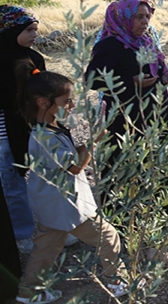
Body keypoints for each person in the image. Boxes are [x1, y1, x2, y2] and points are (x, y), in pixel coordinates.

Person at [14, 59, 126, 303]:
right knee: (108, 237)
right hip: (67, 205)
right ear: (43, 103)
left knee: (45, 251)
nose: (72, 105)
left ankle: (28, 292)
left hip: (49, 204)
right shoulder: (46, 137)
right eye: (66, 102)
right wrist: (94, 141)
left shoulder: (49, 128)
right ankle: (116, 282)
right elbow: (74, 166)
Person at [86, 0, 168, 206]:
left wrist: (165, 76)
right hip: (125, 116)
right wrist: (131, 83)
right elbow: (92, 80)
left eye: (147, 16)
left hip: (155, 111)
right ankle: (120, 213)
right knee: (123, 162)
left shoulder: (146, 42)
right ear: (123, 18)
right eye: (139, 17)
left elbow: (158, 69)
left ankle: (165, 207)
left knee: (161, 155)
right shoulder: (109, 46)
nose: (145, 22)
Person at [0, 5, 40, 255]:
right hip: (6, 129)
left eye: (36, 29)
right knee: (12, 180)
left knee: (45, 177)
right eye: (28, 30)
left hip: (34, 125)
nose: (35, 34)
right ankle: (24, 233)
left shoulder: (35, 58)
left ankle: (55, 227)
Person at [94, 0, 163, 52]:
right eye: (139, 15)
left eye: (151, 10)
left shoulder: (150, 31)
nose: (149, 13)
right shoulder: (110, 35)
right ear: (128, 13)